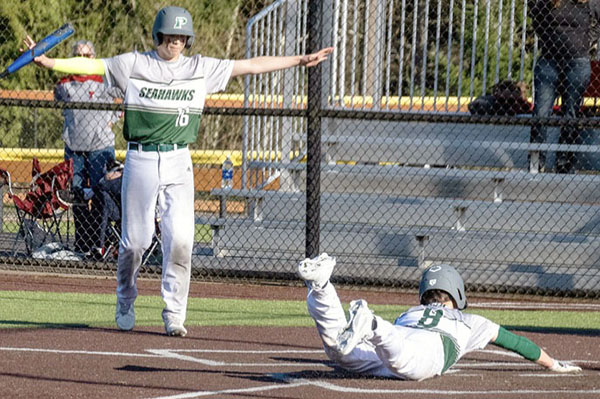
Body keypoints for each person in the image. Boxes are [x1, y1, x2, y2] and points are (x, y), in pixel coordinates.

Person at [24, 6, 333, 337]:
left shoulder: (200, 68)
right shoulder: (135, 64)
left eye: (181, 37)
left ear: (188, 39)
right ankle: (125, 297)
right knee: (135, 243)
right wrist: (49, 62)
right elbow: (92, 64)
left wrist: (299, 60)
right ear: (159, 36)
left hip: (178, 161)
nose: (176, 42)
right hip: (141, 159)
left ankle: (174, 312)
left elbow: (251, 65)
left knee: (181, 240)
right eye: (170, 36)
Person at [297, 254, 582, 380]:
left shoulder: (412, 311)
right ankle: (370, 322)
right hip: (425, 349)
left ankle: (322, 286)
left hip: (395, 339)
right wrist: (553, 364)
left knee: (339, 350)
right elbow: (517, 343)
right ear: (457, 293)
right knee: (408, 364)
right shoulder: (472, 323)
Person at [54, 40, 122, 254]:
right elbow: (58, 100)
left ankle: (100, 243)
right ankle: (81, 243)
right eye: (78, 56)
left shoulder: (104, 81)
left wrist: (113, 117)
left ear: (93, 58)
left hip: (100, 147)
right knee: (76, 196)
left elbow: (126, 96)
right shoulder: (65, 85)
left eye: (87, 56)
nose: (82, 60)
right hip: (75, 148)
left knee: (101, 195)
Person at [529, 0, 600, 173]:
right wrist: (548, 40)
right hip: (549, 60)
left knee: (571, 112)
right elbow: (536, 19)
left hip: (577, 62)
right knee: (541, 112)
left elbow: (598, 23)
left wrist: (586, 42)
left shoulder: (590, 2)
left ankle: (564, 163)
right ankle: (536, 162)